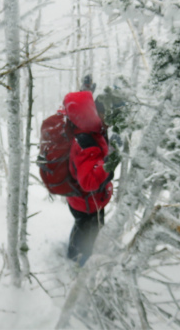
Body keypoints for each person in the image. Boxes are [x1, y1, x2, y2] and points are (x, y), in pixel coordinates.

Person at [60, 90, 117, 266]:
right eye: (105, 115)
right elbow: (89, 182)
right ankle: (79, 262)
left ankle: (76, 254)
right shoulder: (85, 141)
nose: (108, 121)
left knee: (83, 228)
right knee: (87, 234)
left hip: (82, 200)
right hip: (87, 203)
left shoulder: (86, 127)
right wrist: (109, 161)